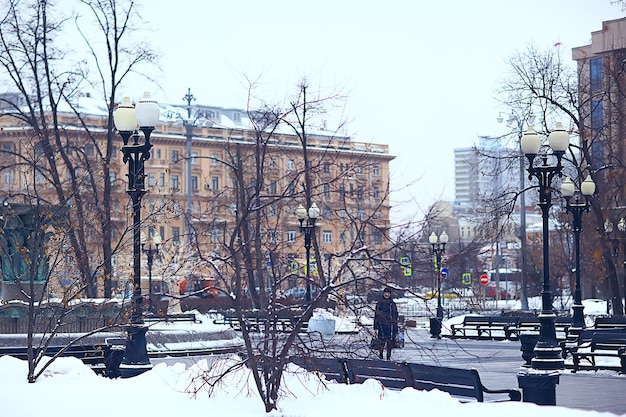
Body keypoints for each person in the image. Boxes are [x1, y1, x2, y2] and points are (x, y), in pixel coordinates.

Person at [374, 287, 399, 360]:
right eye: (385, 293)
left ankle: (388, 356)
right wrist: (375, 326)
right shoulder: (380, 303)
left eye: (388, 293)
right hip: (382, 325)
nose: (386, 294)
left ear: (390, 294)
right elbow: (376, 315)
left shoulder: (392, 304)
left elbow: (395, 315)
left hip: (390, 325)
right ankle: (381, 355)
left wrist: (395, 325)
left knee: (389, 342)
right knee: (381, 341)